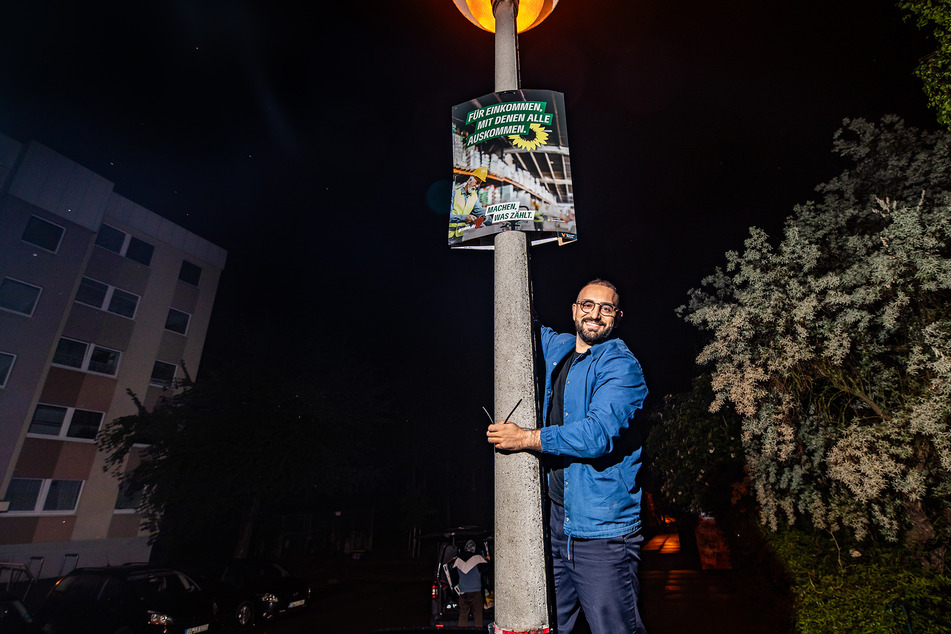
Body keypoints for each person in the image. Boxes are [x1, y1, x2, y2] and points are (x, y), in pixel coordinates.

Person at [486, 279, 649, 634]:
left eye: (606, 308)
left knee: (615, 629)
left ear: (616, 317)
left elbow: (596, 436)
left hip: (603, 533)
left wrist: (525, 438)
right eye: (587, 305)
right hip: (559, 523)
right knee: (546, 624)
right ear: (575, 310)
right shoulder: (559, 347)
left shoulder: (622, 368)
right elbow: (524, 321)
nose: (595, 314)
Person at [452, 539, 489, 628]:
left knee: (463, 615)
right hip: (476, 592)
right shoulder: (478, 558)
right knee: (478, 615)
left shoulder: (458, 561)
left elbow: (453, 577)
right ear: (474, 548)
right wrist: (488, 560)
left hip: (463, 592)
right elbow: (487, 569)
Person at [449, 166, 489, 244]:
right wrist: (465, 218)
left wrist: (490, 219)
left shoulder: (474, 197)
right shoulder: (454, 194)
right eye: (476, 182)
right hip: (449, 237)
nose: (477, 186)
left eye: (479, 184)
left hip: (462, 237)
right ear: (470, 180)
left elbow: (481, 212)